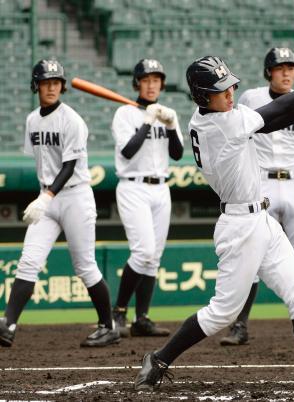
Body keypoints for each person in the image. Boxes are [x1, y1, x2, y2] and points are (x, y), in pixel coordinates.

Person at [134, 56, 294, 390]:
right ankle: (159, 359)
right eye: (220, 90)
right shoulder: (218, 125)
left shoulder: (221, 116)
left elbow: (268, 122)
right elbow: (269, 113)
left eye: (230, 85)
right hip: (240, 226)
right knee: (222, 312)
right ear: (201, 96)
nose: (230, 92)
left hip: (262, 219)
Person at [220, 47, 294, 347]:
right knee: (254, 256)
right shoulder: (251, 99)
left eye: (290, 68)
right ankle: (240, 326)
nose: (285, 72)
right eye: (279, 67)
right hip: (262, 184)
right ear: (268, 72)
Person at [0, 59, 120, 347]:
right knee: (28, 262)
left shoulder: (72, 120)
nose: (51, 87)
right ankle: (8, 325)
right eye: (46, 82)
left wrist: (46, 196)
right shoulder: (32, 120)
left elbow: (69, 166)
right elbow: (45, 164)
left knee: (85, 266)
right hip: (48, 196)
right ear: (36, 86)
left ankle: (108, 326)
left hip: (75, 196)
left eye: (56, 82)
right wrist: (45, 195)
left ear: (62, 86)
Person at [111, 58, 184, 337]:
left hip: (161, 188)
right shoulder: (125, 114)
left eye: (156, 79)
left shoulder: (167, 112)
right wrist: (147, 120)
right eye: (146, 79)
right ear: (137, 83)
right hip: (133, 187)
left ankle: (142, 318)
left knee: (154, 258)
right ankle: (119, 312)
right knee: (143, 252)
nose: (152, 84)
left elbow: (177, 154)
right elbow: (128, 151)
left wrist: (170, 123)